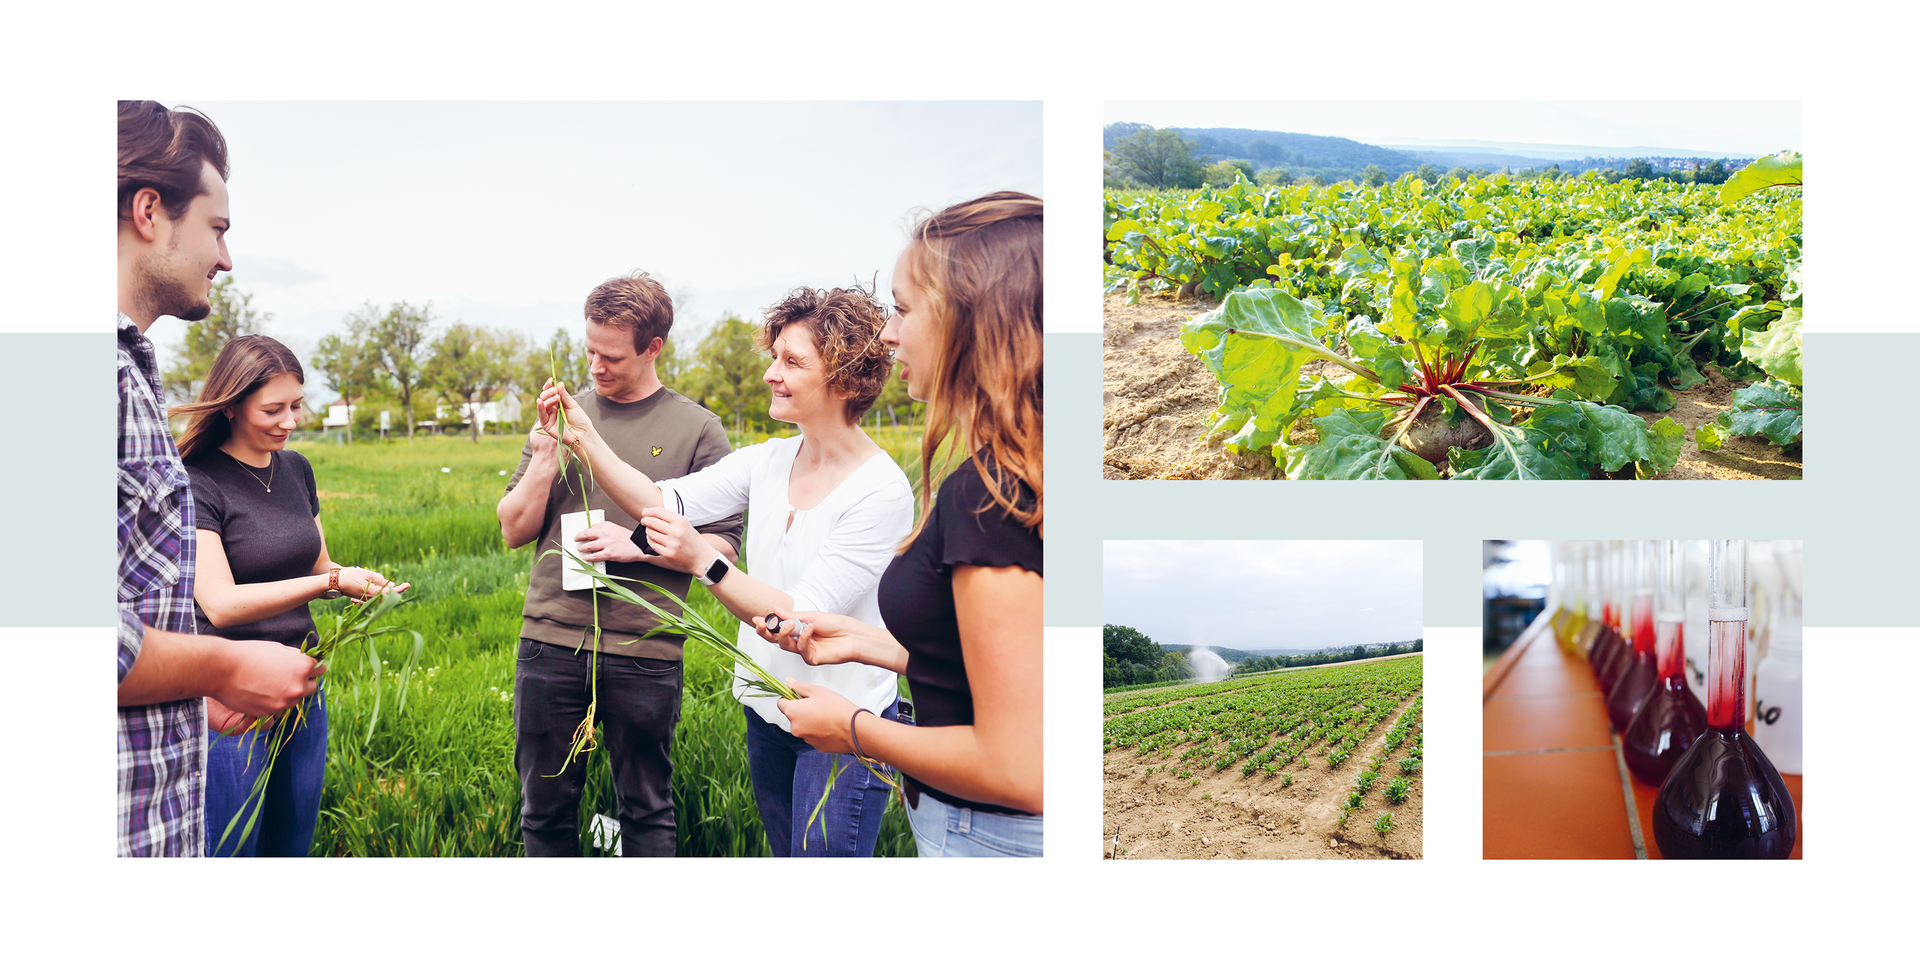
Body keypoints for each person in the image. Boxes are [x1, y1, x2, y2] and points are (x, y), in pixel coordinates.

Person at [536, 285, 912, 856]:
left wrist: (702, 563)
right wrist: (585, 438)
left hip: (843, 726)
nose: (770, 373)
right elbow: (663, 500)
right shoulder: (768, 460)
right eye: (774, 356)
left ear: (841, 377)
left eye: (791, 362)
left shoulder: (879, 491)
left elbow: (800, 621)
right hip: (768, 706)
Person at [756, 192, 1044, 857]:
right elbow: (1008, 680)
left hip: (987, 836)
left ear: (977, 322)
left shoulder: (990, 496)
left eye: (905, 310)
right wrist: (872, 643)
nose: (888, 334)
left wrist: (853, 727)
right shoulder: (1020, 474)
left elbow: (1020, 769)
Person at [115, 100, 320, 856]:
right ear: (148, 212)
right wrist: (227, 665)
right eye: (219, 228)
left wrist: (193, 698)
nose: (226, 258)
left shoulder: (128, 370)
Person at [498, 271, 744, 857]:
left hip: (646, 648)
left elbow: (724, 549)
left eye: (611, 356)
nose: (595, 367)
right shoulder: (564, 414)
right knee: (545, 809)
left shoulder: (698, 430)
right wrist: (543, 456)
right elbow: (512, 529)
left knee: (646, 807)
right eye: (588, 350)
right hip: (551, 642)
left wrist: (637, 543)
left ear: (653, 347)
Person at [172, 335, 410, 856]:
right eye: (273, 409)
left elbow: (320, 564)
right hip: (231, 691)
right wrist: (329, 583)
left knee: (292, 842)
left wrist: (357, 582)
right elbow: (219, 602)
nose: (290, 421)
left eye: (296, 405)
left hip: (303, 680)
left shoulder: (297, 468)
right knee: (234, 847)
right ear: (232, 405)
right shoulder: (197, 480)